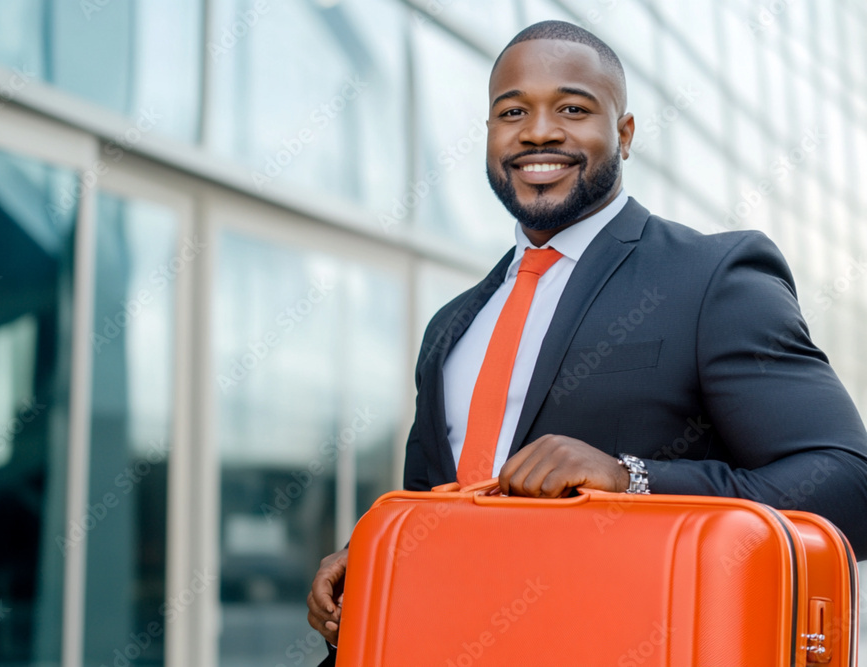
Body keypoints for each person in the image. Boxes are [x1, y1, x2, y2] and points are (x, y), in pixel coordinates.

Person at [307, 20, 867, 661]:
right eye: (512, 111)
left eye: (573, 108)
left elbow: (849, 484)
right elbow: (441, 508)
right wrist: (371, 555)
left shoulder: (712, 278)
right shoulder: (453, 327)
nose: (538, 131)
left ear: (623, 135)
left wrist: (629, 480)